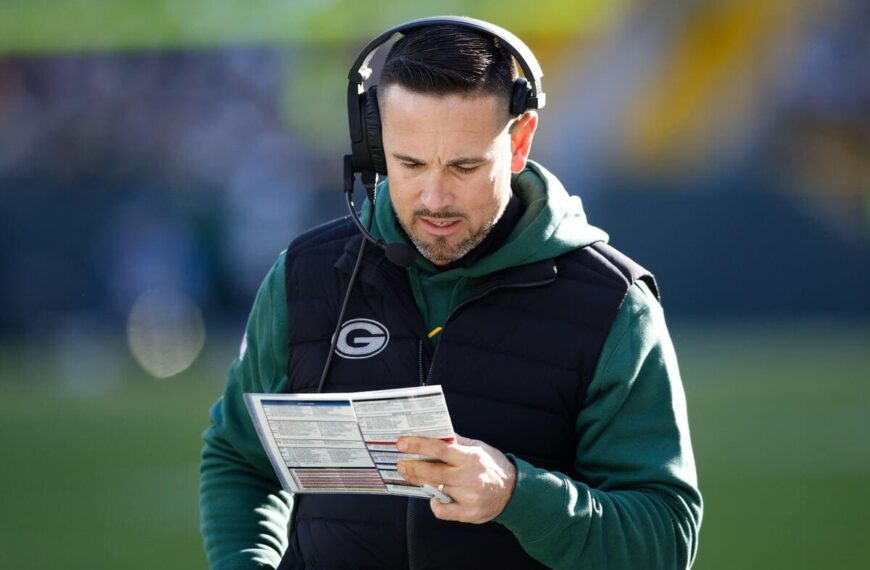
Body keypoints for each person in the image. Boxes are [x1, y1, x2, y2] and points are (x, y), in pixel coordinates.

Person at [200, 16, 702, 570]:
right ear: (373, 148)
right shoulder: (302, 276)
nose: (434, 198)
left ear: (519, 142)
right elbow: (239, 458)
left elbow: (665, 539)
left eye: (464, 166)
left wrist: (517, 494)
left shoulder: (615, 304)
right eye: (409, 163)